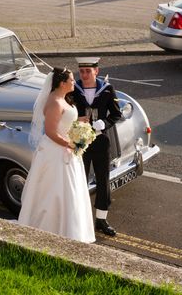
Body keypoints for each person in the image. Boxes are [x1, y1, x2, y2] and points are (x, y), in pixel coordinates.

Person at [18, 67, 95, 243]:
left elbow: (63, 123)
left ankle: (70, 229)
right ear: (62, 83)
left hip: (65, 151)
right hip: (56, 153)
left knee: (70, 191)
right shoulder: (54, 102)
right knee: (55, 191)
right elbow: (51, 132)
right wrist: (71, 143)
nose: (74, 82)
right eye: (72, 80)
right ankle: (52, 228)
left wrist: (79, 124)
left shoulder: (61, 99)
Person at [71, 57, 122, 237]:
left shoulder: (107, 89)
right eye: (81, 71)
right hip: (80, 142)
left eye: (88, 71)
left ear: (96, 71)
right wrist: (76, 120)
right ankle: (79, 216)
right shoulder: (73, 88)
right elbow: (65, 111)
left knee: (103, 181)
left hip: (101, 142)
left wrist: (105, 123)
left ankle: (101, 219)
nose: (84, 75)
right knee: (79, 180)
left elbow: (117, 113)